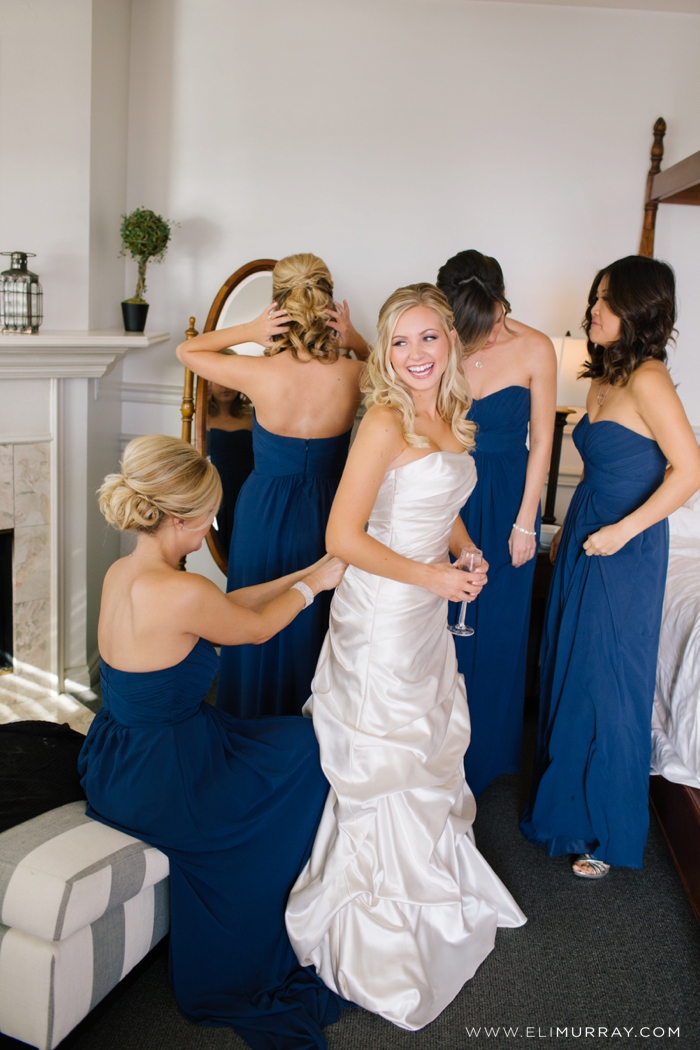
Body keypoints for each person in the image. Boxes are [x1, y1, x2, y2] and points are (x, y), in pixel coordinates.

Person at [285, 284, 526, 1031]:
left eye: (429, 339)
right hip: (385, 614)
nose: (415, 355)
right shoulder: (386, 419)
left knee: (425, 745)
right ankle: (380, 918)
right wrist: (433, 576)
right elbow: (342, 537)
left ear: (450, 342)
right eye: (400, 342)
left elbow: (439, 499)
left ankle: (432, 881)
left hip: (424, 610)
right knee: (388, 756)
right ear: (385, 350)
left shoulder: (448, 414)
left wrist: (465, 548)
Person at [78, 434, 349, 1050]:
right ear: (179, 518)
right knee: (305, 755)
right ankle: (265, 911)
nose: (211, 527)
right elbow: (249, 630)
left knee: (283, 742)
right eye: (207, 517)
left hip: (113, 758)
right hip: (165, 778)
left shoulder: (128, 572)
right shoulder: (182, 591)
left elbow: (221, 608)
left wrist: (309, 572)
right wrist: (313, 591)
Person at [520, 256, 700, 878]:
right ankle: (567, 805)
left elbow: (691, 470)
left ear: (640, 311)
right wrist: (570, 527)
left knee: (609, 677)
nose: (591, 311)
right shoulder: (601, 377)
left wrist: (622, 532)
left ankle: (603, 829)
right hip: (586, 530)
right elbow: (598, 466)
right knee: (570, 662)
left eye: (605, 302)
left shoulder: (649, 378)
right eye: (594, 299)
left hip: (629, 542)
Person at [177, 253, 369, 718]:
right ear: (327, 304)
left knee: (254, 611)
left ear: (278, 305)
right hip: (329, 509)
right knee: (317, 617)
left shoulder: (258, 373)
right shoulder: (354, 373)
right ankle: (307, 738)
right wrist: (356, 338)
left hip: (263, 511)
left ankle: (250, 724)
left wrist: (248, 331)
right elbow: (400, 371)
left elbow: (188, 352)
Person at [436, 250, 557, 798]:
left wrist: (526, 520)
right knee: (441, 622)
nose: (477, 336)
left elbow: (543, 441)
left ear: (500, 303)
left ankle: (483, 758)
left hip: (509, 492)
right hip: (449, 489)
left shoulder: (535, 348)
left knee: (500, 627)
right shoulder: (442, 340)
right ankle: (436, 753)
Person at [206, 381, 254, 555]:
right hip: (217, 492)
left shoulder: (253, 417)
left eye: (229, 380)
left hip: (249, 492)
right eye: (218, 381)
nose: (225, 387)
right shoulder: (201, 420)